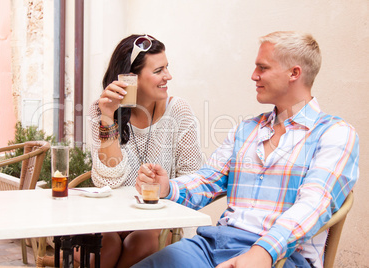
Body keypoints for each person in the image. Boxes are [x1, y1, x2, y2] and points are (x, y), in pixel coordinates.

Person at [134, 31, 359, 268]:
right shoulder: (247, 129)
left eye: (262, 68)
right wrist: (167, 187)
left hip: (283, 257)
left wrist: (263, 252)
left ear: (294, 73)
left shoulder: (335, 133)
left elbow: (314, 205)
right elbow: (208, 180)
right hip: (214, 245)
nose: (254, 76)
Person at [87, 34, 202, 268]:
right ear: (130, 78)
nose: (168, 76)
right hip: (113, 217)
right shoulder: (102, 110)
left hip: (158, 220)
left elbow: (193, 177)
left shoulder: (178, 111)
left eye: (167, 68)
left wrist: (163, 186)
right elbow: (106, 180)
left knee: (145, 239)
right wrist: (108, 116)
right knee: (105, 244)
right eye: (159, 70)